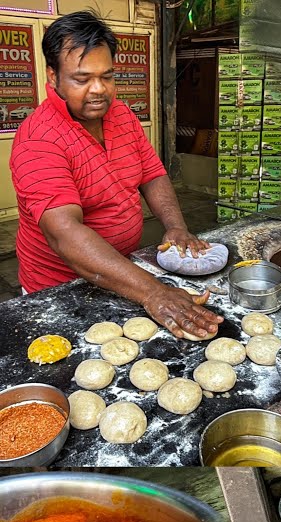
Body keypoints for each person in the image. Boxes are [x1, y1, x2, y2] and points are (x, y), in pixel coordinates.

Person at [9, 11, 221, 339]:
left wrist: (176, 228)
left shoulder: (120, 113)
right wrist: (154, 293)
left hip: (117, 273)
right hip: (59, 293)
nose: (99, 90)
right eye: (82, 79)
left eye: (107, 76)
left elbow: (152, 174)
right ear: (53, 77)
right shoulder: (39, 139)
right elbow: (64, 233)